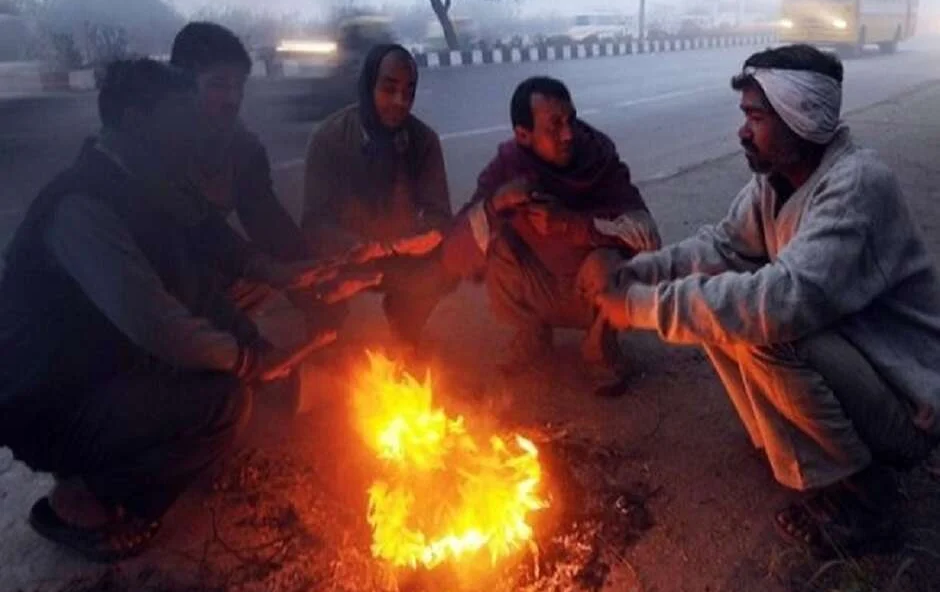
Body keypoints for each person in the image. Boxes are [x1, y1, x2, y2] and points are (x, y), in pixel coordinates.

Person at [593, 45, 940, 558]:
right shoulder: (774, 183)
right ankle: (789, 444)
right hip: (861, 368)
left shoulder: (857, 185)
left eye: (756, 117)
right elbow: (722, 247)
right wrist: (634, 273)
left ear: (800, 119)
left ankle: (865, 499)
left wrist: (642, 308)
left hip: (908, 410)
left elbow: (778, 305)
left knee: (762, 325)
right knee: (728, 292)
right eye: (746, 116)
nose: (743, 131)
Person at [0, 59, 347, 563]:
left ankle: (126, 451)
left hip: (96, 366)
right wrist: (248, 363)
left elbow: (203, 255)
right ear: (138, 122)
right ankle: (82, 497)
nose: (192, 133)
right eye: (179, 121)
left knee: (227, 370)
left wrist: (276, 288)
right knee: (225, 402)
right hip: (48, 400)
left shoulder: (142, 183)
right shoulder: (81, 207)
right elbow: (157, 323)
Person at [440, 76, 660, 389]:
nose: (568, 134)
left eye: (570, 120)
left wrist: (571, 224)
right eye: (553, 126)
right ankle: (533, 332)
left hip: (592, 291)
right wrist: (497, 203)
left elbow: (648, 236)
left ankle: (600, 348)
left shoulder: (598, 158)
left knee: (609, 263)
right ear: (523, 135)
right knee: (493, 238)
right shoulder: (508, 165)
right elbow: (455, 251)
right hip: (538, 283)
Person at [302, 43, 454, 348]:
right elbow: (314, 222)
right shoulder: (330, 138)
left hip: (400, 255)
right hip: (343, 257)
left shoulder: (422, 141)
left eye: (408, 91)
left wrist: (400, 245)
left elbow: (440, 216)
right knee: (305, 270)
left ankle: (405, 322)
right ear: (368, 84)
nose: (400, 101)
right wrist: (355, 249)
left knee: (453, 259)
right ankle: (326, 338)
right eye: (389, 88)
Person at [170, 21, 308, 262]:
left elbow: (270, 227)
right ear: (181, 85)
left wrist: (321, 276)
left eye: (239, 86)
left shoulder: (242, 151)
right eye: (218, 85)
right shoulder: (148, 149)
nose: (232, 99)